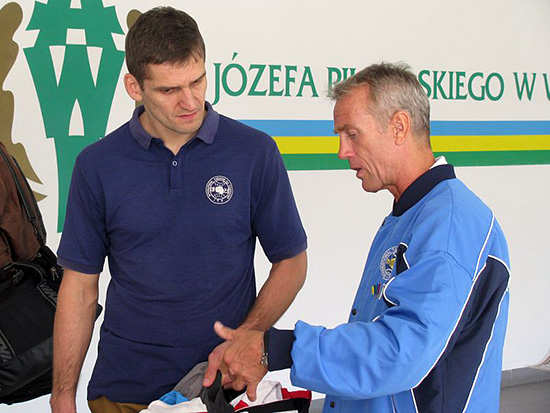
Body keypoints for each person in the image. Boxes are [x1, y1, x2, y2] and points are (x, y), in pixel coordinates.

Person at [50, 7, 307, 413]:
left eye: (197, 81)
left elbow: (291, 261)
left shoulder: (254, 152)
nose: (190, 101)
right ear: (134, 87)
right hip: (123, 392)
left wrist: (249, 334)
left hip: (223, 390)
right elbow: (80, 288)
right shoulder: (96, 165)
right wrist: (63, 395)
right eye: (169, 90)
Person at [212, 62, 510, 412]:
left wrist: (277, 348)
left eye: (352, 134)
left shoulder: (450, 225)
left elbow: (401, 352)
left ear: (399, 127)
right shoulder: (412, 215)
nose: (342, 151)